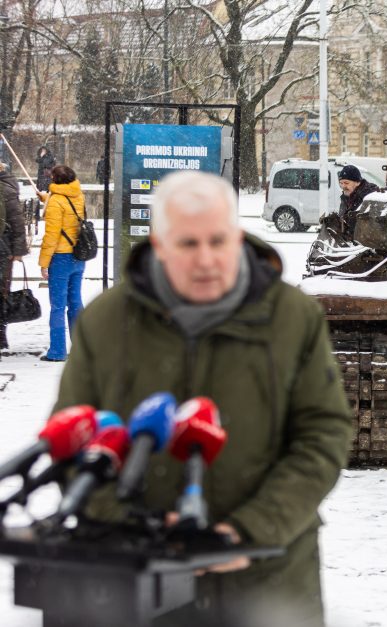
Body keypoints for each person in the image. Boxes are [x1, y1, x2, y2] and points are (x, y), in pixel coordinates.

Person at [52, 170, 354, 627]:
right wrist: (134, 528)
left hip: (267, 579)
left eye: (219, 240)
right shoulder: (105, 321)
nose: (206, 259)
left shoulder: (293, 317)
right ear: (158, 243)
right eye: (188, 244)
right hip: (135, 580)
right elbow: (76, 437)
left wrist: (250, 529)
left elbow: (323, 434)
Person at [37, 165, 86, 362]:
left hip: (61, 258)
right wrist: (45, 197)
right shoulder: (77, 194)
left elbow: (52, 235)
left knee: (57, 306)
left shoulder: (57, 200)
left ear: (55, 180)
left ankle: (57, 351)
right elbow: (66, 208)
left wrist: (43, 262)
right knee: (75, 303)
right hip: (78, 256)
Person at [0, 162, 27, 351]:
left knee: (2, 292)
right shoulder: (9, 187)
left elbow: (17, 222)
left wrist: (18, 250)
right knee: (2, 291)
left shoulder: (6, 189)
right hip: (5, 249)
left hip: (4, 249)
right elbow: (17, 222)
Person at [336, 164, 379, 240]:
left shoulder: (369, 196)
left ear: (357, 182)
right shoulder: (345, 197)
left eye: (346, 183)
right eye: (341, 183)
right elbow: (343, 218)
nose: (343, 186)